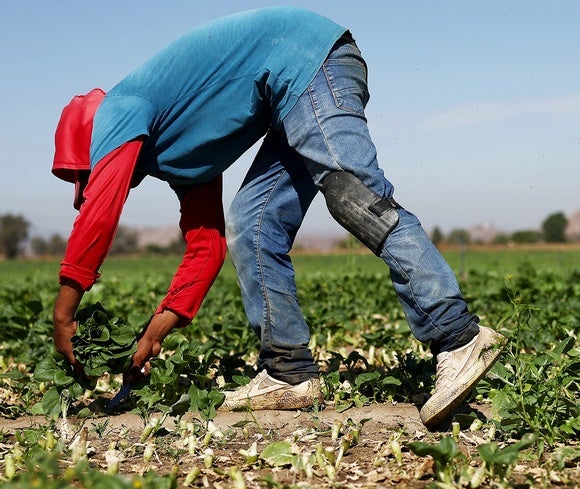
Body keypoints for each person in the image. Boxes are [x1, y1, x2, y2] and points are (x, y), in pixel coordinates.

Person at [51, 6, 504, 428]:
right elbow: (205, 248)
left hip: (309, 62)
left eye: (84, 175)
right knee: (253, 225)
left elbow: (100, 214)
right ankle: (288, 373)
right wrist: (156, 331)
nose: (89, 184)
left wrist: (64, 316)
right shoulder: (176, 151)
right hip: (288, 93)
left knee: (353, 193)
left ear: (90, 145)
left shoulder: (116, 109)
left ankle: (456, 335)